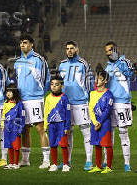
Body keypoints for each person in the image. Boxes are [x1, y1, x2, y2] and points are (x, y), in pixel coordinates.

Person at [14, 35, 51, 168]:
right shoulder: (17, 61)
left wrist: (40, 93)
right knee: (25, 129)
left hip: (35, 99)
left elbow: (47, 79)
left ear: (31, 45)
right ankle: (25, 160)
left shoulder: (39, 59)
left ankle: (46, 160)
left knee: (40, 128)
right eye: (21, 43)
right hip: (22, 100)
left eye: (25, 43)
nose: (22, 45)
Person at [58, 41, 94, 170]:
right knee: (68, 132)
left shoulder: (83, 64)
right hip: (66, 104)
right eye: (67, 48)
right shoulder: (61, 65)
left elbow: (90, 83)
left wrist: (89, 101)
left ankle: (89, 161)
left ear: (77, 49)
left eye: (72, 48)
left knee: (86, 132)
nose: (69, 51)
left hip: (81, 103)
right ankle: (67, 161)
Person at [104, 41, 134, 172]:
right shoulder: (107, 67)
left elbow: (131, 75)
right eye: (107, 51)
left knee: (123, 133)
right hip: (110, 103)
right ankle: (106, 161)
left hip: (122, 103)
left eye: (110, 50)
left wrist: (120, 64)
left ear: (116, 49)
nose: (108, 53)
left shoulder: (125, 62)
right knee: (109, 134)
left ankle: (127, 163)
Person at [88, 70, 114, 174]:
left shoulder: (109, 94)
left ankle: (108, 167)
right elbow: (90, 108)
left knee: (107, 144)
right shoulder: (92, 93)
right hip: (95, 124)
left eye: (99, 79)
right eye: (96, 78)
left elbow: (108, 110)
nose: (96, 81)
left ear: (105, 81)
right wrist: (95, 122)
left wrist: (100, 122)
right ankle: (98, 166)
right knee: (97, 144)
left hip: (105, 123)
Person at [44, 76, 71, 172]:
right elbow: (46, 111)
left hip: (61, 124)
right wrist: (45, 125)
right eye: (52, 84)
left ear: (62, 86)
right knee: (53, 144)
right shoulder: (48, 98)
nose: (54, 87)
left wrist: (67, 126)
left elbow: (68, 113)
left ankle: (66, 164)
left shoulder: (64, 98)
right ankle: (54, 164)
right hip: (52, 125)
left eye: (56, 84)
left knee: (63, 145)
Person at [1, 84, 25, 170]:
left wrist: (21, 128)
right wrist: (2, 125)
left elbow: (22, 117)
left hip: (15, 127)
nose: (8, 93)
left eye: (10, 91)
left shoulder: (19, 104)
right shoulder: (5, 103)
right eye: (7, 91)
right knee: (9, 145)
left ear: (15, 92)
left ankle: (16, 163)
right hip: (7, 128)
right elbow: (3, 114)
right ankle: (11, 163)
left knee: (16, 146)